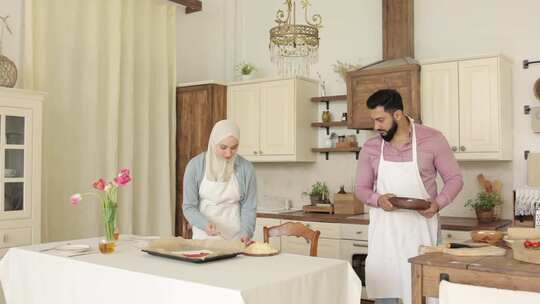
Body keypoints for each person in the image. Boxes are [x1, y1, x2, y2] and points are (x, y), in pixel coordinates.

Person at [355, 89, 464, 304]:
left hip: (422, 231)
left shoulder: (432, 139)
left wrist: (438, 203)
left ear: (397, 115)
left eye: (380, 120)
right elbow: (361, 188)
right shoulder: (371, 147)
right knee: (388, 295)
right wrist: (378, 199)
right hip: (386, 234)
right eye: (373, 120)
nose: (376, 127)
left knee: (426, 293)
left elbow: (455, 179)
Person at [182, 120, 257, 244]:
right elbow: (188, 207)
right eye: (223, 147)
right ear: (213, 142)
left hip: (236, 238)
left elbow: (249, 208)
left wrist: (246, 232)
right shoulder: (195, 166)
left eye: (234, 148)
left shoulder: (246, 168)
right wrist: (205, 225)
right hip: (204, 236)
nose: (228, 154)